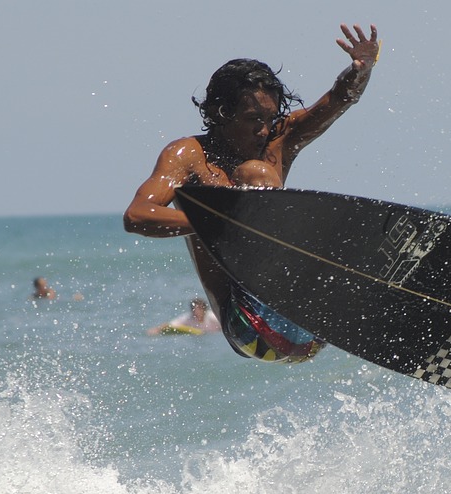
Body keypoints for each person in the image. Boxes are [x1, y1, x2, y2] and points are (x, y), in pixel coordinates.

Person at [123, 23, 379, 364]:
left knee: (267, 181)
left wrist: (360, 70)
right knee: (253, 173)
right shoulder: (187, 155)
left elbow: (336, 101)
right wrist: (221, 220)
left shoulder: (280, 139)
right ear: (220, 113)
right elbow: (137, 216)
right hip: (251, 325)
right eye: (252, 119)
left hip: (309, 319)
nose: (263, 130)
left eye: (270, 118)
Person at [147, 297, 223, 336]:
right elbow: (171, 325)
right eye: (194, 309)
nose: (197, 312)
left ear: (204, 310)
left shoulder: (212, 317)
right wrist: (157, 330)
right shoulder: (188, 318)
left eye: (199, 309)